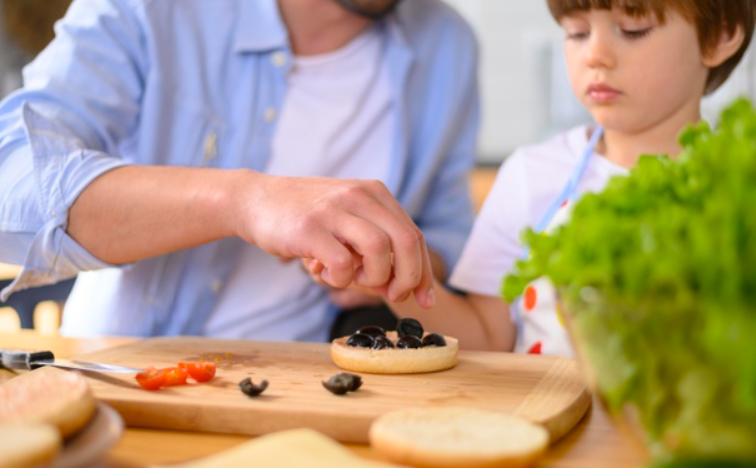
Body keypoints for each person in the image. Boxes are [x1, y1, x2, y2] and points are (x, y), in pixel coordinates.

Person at [0, 0, 479, 340]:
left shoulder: (448, 44)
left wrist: (387, 256)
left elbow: (446, 240)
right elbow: (12, 179)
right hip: (126, 375)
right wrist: (247, 201)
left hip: (312, 397)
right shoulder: (150, 10)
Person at [312, 0, 754, 355]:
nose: (595, 54)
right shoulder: (532, 173)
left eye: (632, 29)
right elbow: (488, 338)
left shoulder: (740, 179)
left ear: (720, 35)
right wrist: (391, 275)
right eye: (577, 33)